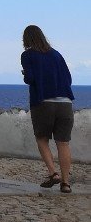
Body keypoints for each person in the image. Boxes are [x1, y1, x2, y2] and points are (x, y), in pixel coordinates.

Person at [21, 24, 75, 194]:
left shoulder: (27, 55)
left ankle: (53, 173)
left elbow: (30, 78)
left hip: (43, 102)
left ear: (26, 39)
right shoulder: (57, 55)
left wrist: (25, 74)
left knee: (42, 139)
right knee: (63, 143)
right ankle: (66, 183)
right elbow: (69, 78)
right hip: (65, 103)